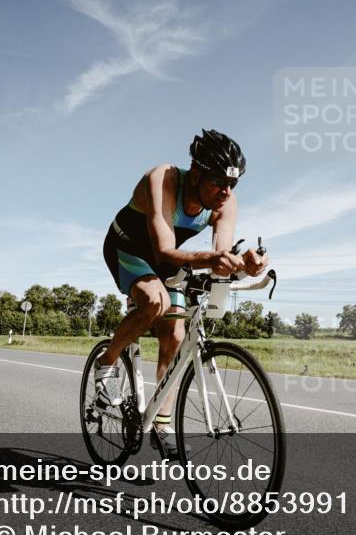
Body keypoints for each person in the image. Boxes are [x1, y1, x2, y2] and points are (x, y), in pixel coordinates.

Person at [98, 129, 268, 457]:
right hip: (128, 248)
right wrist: (212, 260)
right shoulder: (162, 179)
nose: (226, 192)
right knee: (155, 302)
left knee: (175, 334)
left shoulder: (225, 204)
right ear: (197, 175)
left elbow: (220, 258)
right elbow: (163, 251)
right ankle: (106, 363)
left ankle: (161, 424)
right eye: (219, 182)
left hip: (170, 262)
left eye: (233, 184)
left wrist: (246, 266)